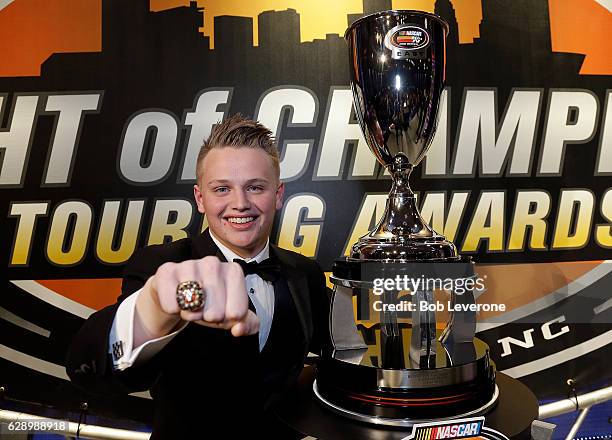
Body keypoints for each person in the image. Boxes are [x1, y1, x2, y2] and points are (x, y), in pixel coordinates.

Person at [65, 114, 330, 438]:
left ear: (277, 195)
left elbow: (336, 364)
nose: (240, 203)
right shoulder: (162, 264)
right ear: (200, 198)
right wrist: (153, 308)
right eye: (222, 189)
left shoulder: (305, 273)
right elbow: (91, 369)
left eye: (255, 187)